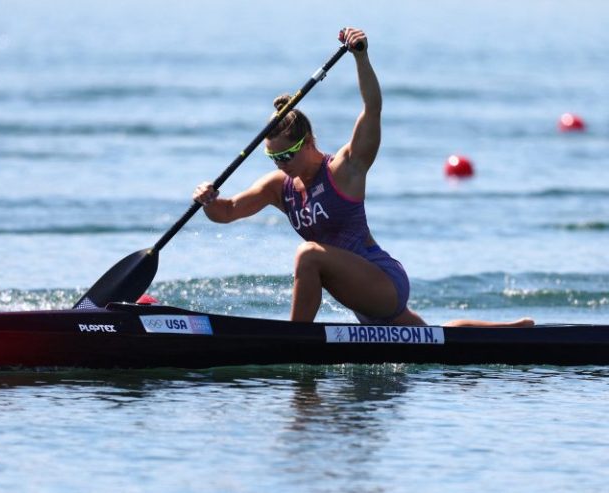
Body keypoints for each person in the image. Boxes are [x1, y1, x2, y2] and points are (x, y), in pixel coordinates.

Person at [193, 27, 533, 328]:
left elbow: (372, 110)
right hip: (359, 295)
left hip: (382, 281)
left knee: (307, 254)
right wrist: (208, 199)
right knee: (431, 339)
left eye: (286, 154)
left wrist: (361, 57)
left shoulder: (345, 168)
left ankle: (295, 338)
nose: (281, 164)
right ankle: (511, 331)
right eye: (273, 157)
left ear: (308, 142)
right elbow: (227, 211)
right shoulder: (279, 188)